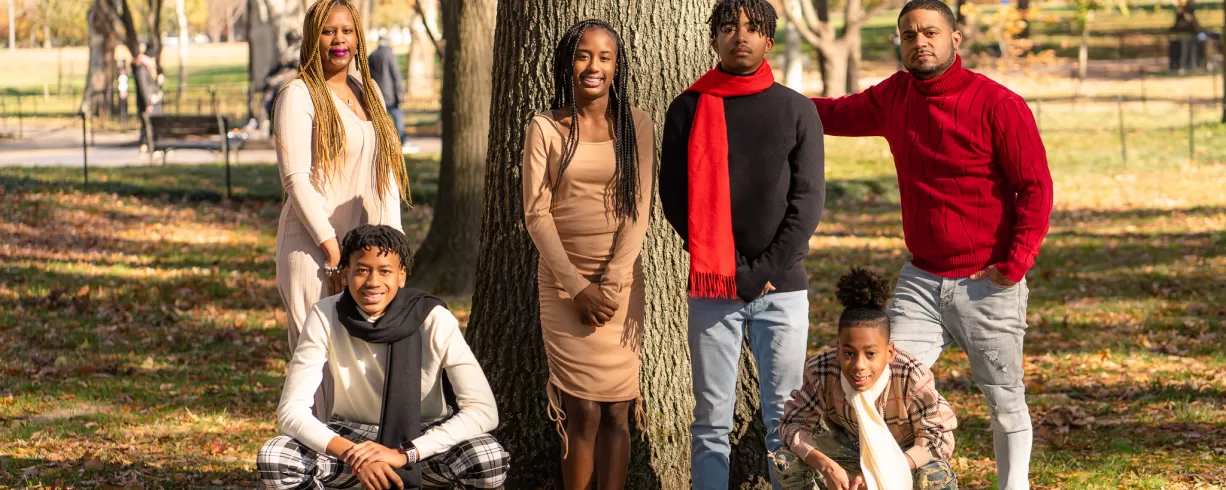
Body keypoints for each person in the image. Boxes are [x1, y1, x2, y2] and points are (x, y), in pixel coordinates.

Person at [808, 1, 1053, 488]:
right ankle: (895, 478)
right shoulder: (895, 96)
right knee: (878, 384)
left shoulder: (998, 104)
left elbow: (1036, 188)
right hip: (920, 279)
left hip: (988, 281)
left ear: (954, 39)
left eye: (930, 33)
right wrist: (765, 97)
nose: (919, 42)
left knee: (1004, 398)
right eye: (908, 35)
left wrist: (1015, 265)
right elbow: (832, 113)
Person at [658, 1, 825, 488]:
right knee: (710, 421)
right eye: (729, 27)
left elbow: (807, 203)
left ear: (769, 40)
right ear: (714, 38)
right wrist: (730, 268)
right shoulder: (688, 108)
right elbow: (675, 199)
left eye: (753, 28)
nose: (740, 36)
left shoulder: (797, 109)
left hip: (783, 288)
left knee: (784, 421)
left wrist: (762, 270)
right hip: (714, 287)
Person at [258, 225, 509, 490]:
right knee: (276, 458)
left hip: (424, 439)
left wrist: (404, 453)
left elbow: (483, 410)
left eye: (385, 271)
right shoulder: (325, 315)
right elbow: (291, 411)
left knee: (487, 459)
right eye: (362, 270)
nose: (373, 282)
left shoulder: (433, 318)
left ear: (402, 276)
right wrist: (354, 455)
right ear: (345, 274)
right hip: (352, 437)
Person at [521, 19, 654, 490]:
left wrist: (611, 285)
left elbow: (638, 209)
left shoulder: (636, 124)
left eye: (604, 57)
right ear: (567, 63)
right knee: (582, 411)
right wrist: (578, 288)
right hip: (564, 286)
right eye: (583, 55)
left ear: (617, 67)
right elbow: (536, 214)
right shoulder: (545, 127)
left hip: (621, 287)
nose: (593, 66)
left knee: (617, 410)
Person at [273, 0, 410, 422]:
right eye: (329, 31)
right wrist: (333, 252)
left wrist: (393, 250)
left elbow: (386, 175)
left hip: (364, 256)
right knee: (316, 368)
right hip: (314, 252)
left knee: (360, 367)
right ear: (313, 37)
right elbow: (296, 179)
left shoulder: (370, 93)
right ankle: (314, 455)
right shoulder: (298, 95)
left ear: (358, 37)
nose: (339, 40)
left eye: (347, 31)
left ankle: (353, 457)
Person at [774, 268, 958, 490]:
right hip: (847, 449)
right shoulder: (822, 370)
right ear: (838, 349)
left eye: (871, 354)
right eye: (849, 353)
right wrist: (827, 467)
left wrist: (883, 470)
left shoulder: (910, 375)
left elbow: (938, 437)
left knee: (935, 477)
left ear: (889, 353)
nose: (859, 366)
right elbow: (794, 423)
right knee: (786, 460)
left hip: (903, 453)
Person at [368, 36, 408, 146]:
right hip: (390, 93)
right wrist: (400, 91)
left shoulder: (372, 56)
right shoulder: (390, 55)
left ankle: (380, 142)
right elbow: (396, 74)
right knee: (397, 116)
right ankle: (401, 141)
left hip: (376, 92)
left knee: (379, 118)